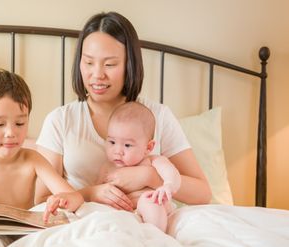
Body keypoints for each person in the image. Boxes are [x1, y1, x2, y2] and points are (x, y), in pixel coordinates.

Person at [36, 11, 211, 210]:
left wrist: (151, 177)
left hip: (148, 220)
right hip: (85, 223)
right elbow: (41, 199)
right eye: (89, 62)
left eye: (110, 64)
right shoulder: (61, 120)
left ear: (130, 65)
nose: (97, 74)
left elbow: (203, 193)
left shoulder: (157, 116)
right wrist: (91, 193)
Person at [0, 69, 84, 221]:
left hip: (26, 236)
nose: (11, 132)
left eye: (20, 123)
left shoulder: (33, 160)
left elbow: (76, 198)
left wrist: (62, 199)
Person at [98, 102, 180, 231]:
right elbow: (99, 192)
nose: (117, 151)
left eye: (127, 145)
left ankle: (155, 234)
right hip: (125, 213)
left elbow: (172, 173)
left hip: (152, 205)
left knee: (149, 202)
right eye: (112, 142)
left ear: (148, 147)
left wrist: (168, 185)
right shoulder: (107, 168)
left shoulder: (151, 161)